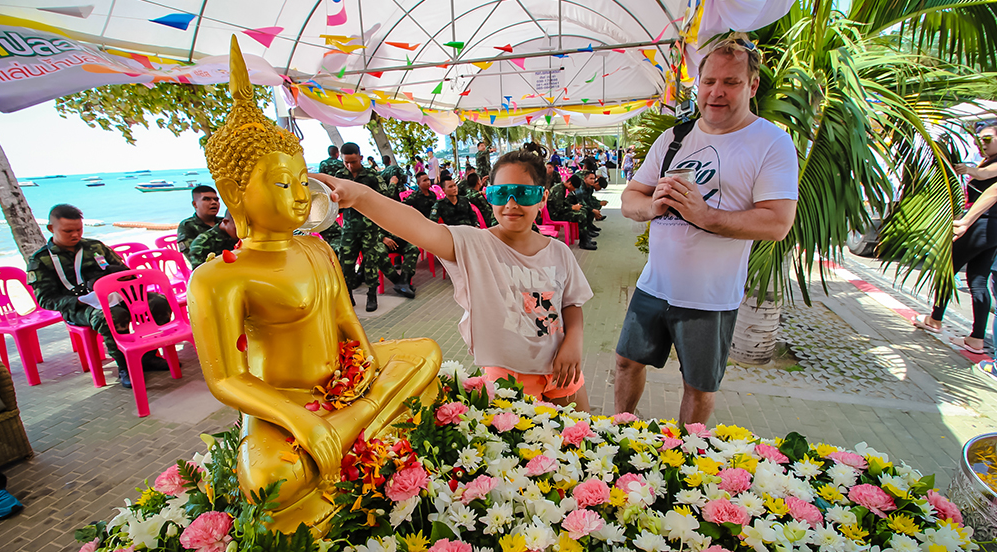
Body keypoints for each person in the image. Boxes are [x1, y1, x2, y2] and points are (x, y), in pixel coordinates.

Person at [189, 36, 440, 533]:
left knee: (428, 351)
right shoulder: (219, 277)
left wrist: (366, 364)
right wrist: (301, 420)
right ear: (233, 193)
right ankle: (358, 434)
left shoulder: (315, 247)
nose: (302, 196)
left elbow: (346, 319)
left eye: (303, 182)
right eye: (284, 185)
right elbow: (226, 379)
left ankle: (350, 430)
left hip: (345, 386)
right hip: (283, 403)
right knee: (272, 481)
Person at [614, 34, 798, 425]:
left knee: (698, 386)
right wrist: (652, 206)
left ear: (752, 85)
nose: (717, 92)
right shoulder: (674, 138)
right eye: (709, 81)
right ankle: (620, 435)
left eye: (730, 83)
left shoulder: (771, 142)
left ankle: (686, 461)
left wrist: (706, 216)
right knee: (626, 362)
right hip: (654, 285)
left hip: (710, 298)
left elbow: (778, 222)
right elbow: (630, 197)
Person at [319, 149, 593, 409]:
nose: (511, 204)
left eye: (523, 193)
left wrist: (574, 344)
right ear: (489, 196)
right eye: (501, 193)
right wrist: (360, 196)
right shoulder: (474, 244)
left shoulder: (559, 252)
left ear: (542, 197)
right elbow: (417, 226)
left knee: (581, 439)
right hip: (509, 377)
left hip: (562, 367)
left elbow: (571, 303)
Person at [27, 204, 174, 388]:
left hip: (115, 297)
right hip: (79, 306)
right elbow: (45, 300)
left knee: (157, 302)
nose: (75, 235)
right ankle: (125, 366)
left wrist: (117, 276)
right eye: (68, 231)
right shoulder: (41, 260)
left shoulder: (94, 247)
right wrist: (80, 300)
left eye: (79, 229)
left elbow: (126, 273)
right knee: (111, 316)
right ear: (51, 228)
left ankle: (149, 356)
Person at [916, 125, 997, 355]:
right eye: (979, 139)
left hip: (981, 224)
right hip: (990, 230)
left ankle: (935, 319)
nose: (982, 142)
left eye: (988, 138)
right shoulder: (988, 160)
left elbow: (987, 182)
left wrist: (965, 222)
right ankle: (977, 338)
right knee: (978, 280)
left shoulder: (990, 165)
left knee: (947, 269)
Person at [334, 143, 414, 311]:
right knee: (346, 264)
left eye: (353, 162)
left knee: (371, 262)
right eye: (346, 162)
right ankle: (348, 295)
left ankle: (372, 295)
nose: (349, 166)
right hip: (349, 228)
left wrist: (392, 184)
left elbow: (386, 197)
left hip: (370, 228)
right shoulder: (340, 176)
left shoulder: (372, 176)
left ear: (360, 158)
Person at [549, 174, 598, 250]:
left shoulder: (561, 188)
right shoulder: (558, 190)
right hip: (555, 215)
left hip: (558, 212)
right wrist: (572, 207)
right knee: (581, 215)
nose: (574, 190)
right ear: (570, 183)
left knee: (583, 210)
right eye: (574, 187)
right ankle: (583, 243)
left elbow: (562, 203)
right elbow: (558, 209)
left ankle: (586, 237)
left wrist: (573, 206)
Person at [176, 185, 221, 254]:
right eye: (207, 199)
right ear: (195, 204)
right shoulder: (187, 226)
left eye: (216, 199)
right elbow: (192, 256)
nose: (213, 202)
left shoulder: (224, 222)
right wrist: (219, 229)